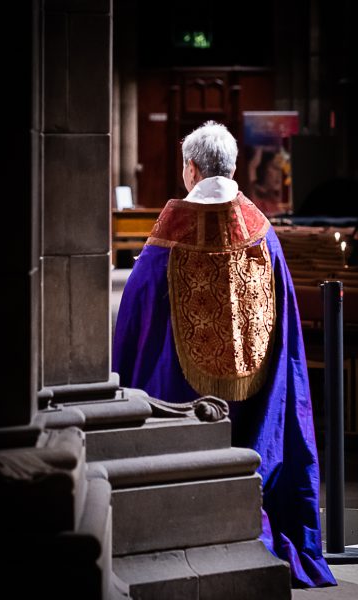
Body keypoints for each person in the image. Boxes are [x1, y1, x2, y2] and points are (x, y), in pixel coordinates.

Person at [112, 121, 336, 589]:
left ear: (191, 169)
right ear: (233, 167)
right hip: (255, 393)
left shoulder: (167, 239)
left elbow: (138, 314)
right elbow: (285, 326)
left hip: (179, 390)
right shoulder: (262, 234)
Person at [246, 147, 288, 216]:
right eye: (275, 168)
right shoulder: (254, 197)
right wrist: (252, 167)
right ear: (263, 169)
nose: (279, 174)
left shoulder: (274, 200)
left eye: (280, 169)